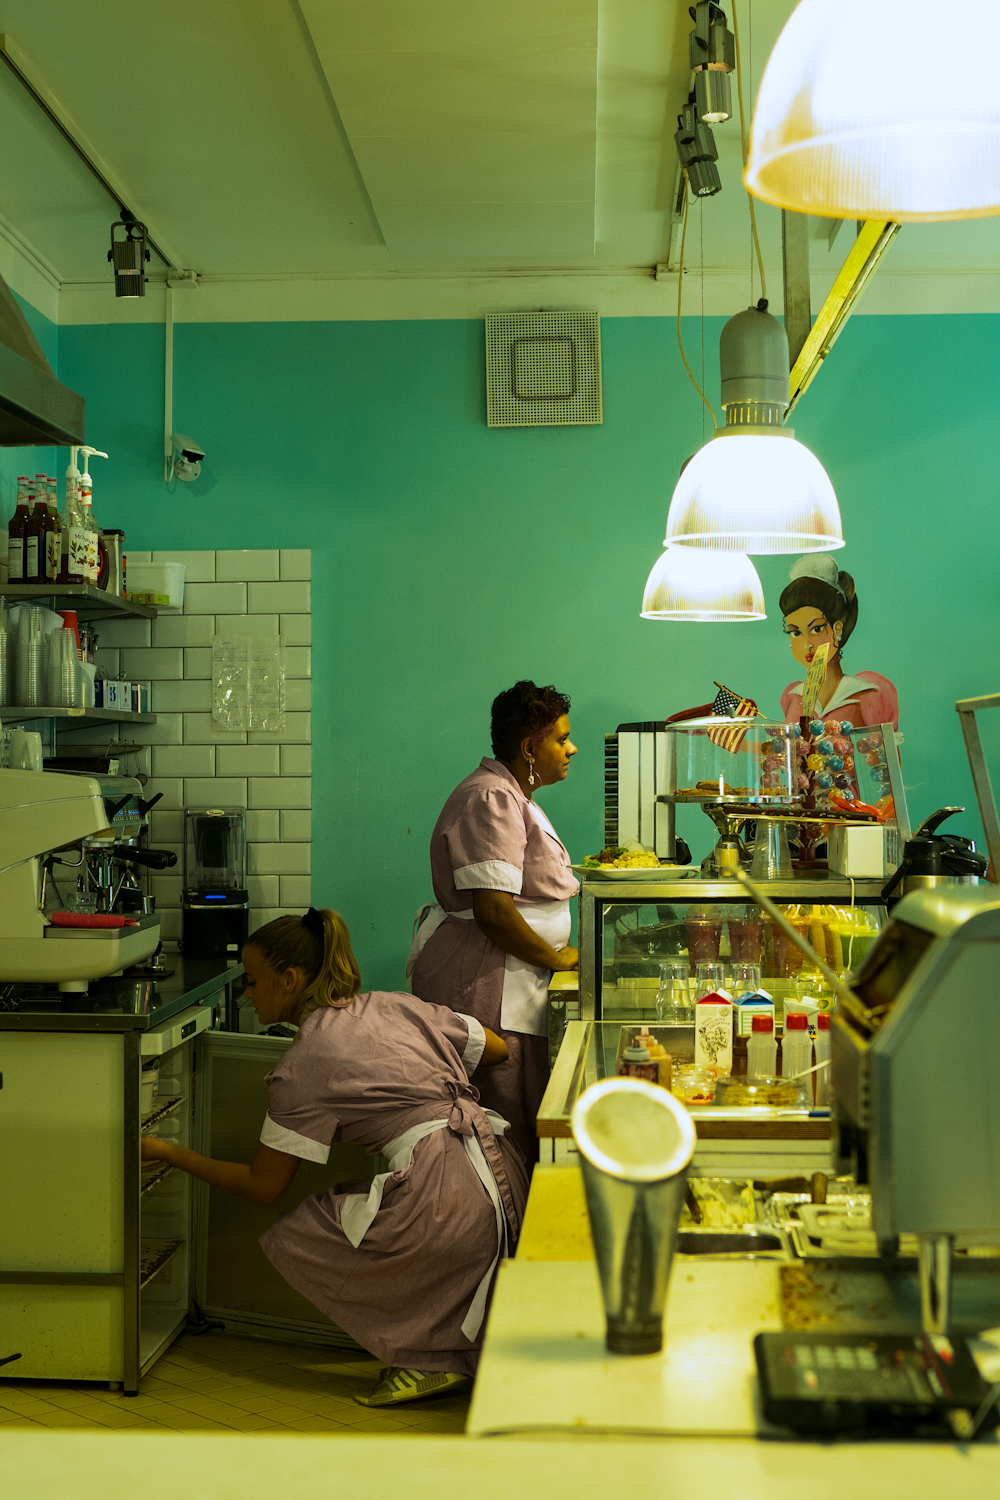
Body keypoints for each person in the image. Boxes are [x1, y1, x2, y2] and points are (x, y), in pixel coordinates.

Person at [140, 908, 527, 1409]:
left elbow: (264, 1186)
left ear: (290, 978)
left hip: (444, 1200)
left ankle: (429, 1354)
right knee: (400, 1218)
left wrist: (170, 1152)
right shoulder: (395, 1004)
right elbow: (496, 1050)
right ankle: (444, 1341)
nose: (247, 996)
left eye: (253, 982)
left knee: (303, 1234)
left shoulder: (303, 1064)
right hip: (504, 1173)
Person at [409, 681, 580, 1166]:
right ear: (530, 747)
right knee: (496, 1127)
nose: (572, 748)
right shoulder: (492, 799)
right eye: (561, 738)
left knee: (519, 1116)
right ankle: (499, 1236)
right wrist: (558, 958)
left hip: (511, 981)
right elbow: (495, 912)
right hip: (486, 988)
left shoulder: (515, 795)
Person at [779, 555, 899, 730]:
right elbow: (787, 752)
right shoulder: (793, 697)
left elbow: (885, 754)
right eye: (795, 632)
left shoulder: (867, 692)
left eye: (816, 629)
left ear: (837, 629)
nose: (807, 644)